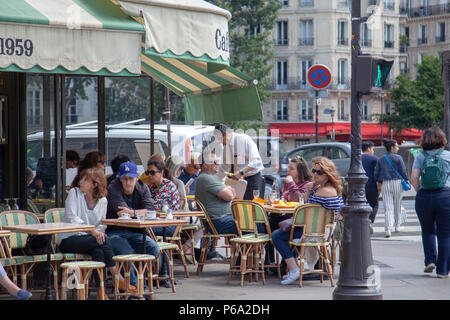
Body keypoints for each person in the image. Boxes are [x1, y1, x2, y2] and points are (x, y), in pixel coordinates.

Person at [272, 156, 344, 285]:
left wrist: (311, 190)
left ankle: (294, 269)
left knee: (277, 235)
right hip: (324, 232)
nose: (315, 174)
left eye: (319, 172)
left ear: (327, 174)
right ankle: (295, 268)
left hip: (313, 233)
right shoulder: (333, 189)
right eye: (314, 170)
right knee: (285, 232)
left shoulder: (321, 192)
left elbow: (304, 209)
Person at [58, 168, 125, 299]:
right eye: (81, 178)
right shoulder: (74, 193)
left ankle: (101, 292)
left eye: (85, 180)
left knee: (99, 251)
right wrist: (93, 232)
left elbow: (101, 225)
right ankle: (117, 275)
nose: (80, 182)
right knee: (103, 240)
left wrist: (96, 233)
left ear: (95, 184)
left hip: (90, 240)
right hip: (69, 238)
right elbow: (72, 218)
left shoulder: (103, 201)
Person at [106, 161, 160, 289]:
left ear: (137, 177)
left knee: (154, 248)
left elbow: (151, 211)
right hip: (114, 232)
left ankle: (141, 282)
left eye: (131, 178)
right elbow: (121, 212)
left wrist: (133, 212)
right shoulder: (113, 188)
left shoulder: (142, 188)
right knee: (127, 252)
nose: (128, 182)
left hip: (136, 232)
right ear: (120, 178)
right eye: (125, 179)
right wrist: (139, 213)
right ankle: (136, 288)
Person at [411, 126, 450, 278]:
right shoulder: (447, 155)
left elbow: (414, 177)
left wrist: (420, 191)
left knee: (427, 230)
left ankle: (429, 261)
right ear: (442, 139)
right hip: (445, 196)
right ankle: (442, 270)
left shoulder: (421, 157)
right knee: (445, 234)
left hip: (424, 196)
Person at [214, 123, 264, 200]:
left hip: (253, 178)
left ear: (226, 134)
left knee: (252, 208)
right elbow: (223, 169)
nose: (221, 142)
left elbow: (257, 161)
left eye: (220, 139)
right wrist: (214, 183)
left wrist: (241, 172)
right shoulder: (226, 147)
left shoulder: (244, 139)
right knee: (240, 206)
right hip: (239, 182)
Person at [374, 139, 409, 238]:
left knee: (388, 207)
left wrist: (378, 182)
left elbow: (376, 174)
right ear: (392, 147)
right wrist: (406, 180)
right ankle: (397, 226)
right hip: (397, 182)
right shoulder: (398, 158)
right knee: (397, 205)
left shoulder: (381, 159)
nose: (398, 148)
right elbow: (403, 171)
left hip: (386, 183)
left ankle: (388, 229)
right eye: (397, 146)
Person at [143, 158, 181, 237]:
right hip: (154, 222)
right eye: (148, 172)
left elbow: (152, 208)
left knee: (141, 230)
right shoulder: (151, 187)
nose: (149, 175)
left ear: (162, 172)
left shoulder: (168, 186)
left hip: (170, 225)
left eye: (152, 172)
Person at [362, 141, 379, 233]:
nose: (373, 151)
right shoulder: (374, 159)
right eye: (372, 149)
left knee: (363, 204)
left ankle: (363, 221)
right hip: (372, 184)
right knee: (374, 204)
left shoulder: (358, 158)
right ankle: (370, 220)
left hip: (360, 185)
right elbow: (377, 173)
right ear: (368, 148)